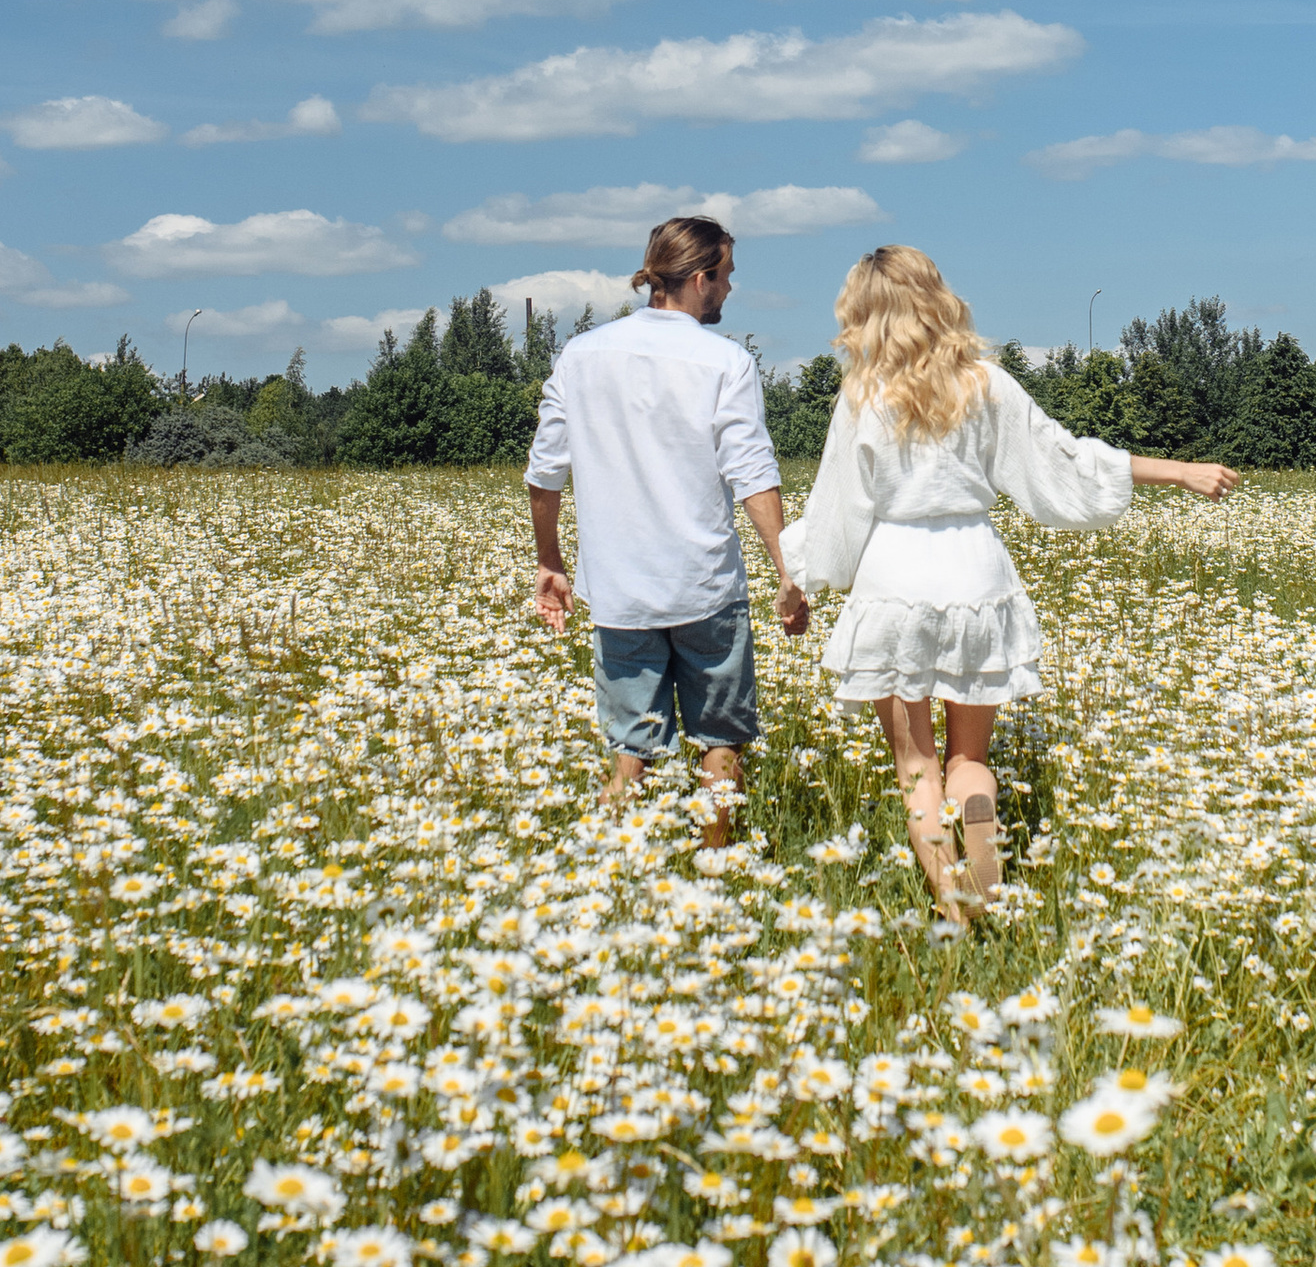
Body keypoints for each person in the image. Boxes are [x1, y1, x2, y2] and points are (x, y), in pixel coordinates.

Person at [781, 244, 1236, 926]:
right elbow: (1064, 462)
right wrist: (1178, 470)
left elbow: (838, 509)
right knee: (969, 759)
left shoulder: (862, 399)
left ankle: (955, 909)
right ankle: (978, 814)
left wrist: (802, 581)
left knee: (915, 768)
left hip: (894, 576)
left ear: (864, 317)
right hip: (976, 571)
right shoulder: (987, 384)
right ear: (936, 300)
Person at [526, 215, 810, 846]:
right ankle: (719, 869)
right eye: (728, 276)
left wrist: (552, 562)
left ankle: (620, 870)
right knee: (720, 742)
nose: (731, 289)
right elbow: (753, 475)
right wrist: (788, 573)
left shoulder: (581, 356)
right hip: (705, 587)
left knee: (630, 747)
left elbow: (544, 474)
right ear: (700, 278)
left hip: (619, 591)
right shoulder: (725, 361)